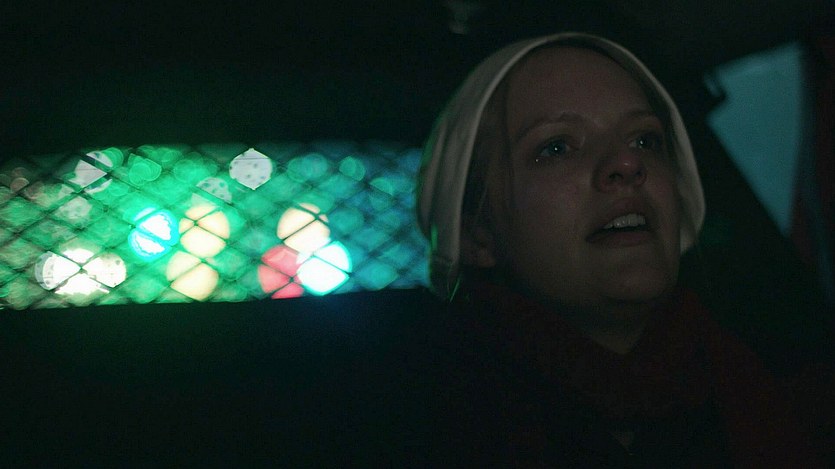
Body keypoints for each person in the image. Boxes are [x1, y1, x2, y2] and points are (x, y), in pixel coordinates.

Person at [417, 32, 824, 467]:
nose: (629, 163)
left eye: (645, 140)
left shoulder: (787, 394)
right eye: (556, 147)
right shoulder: (416, 418)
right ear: (477, 234)